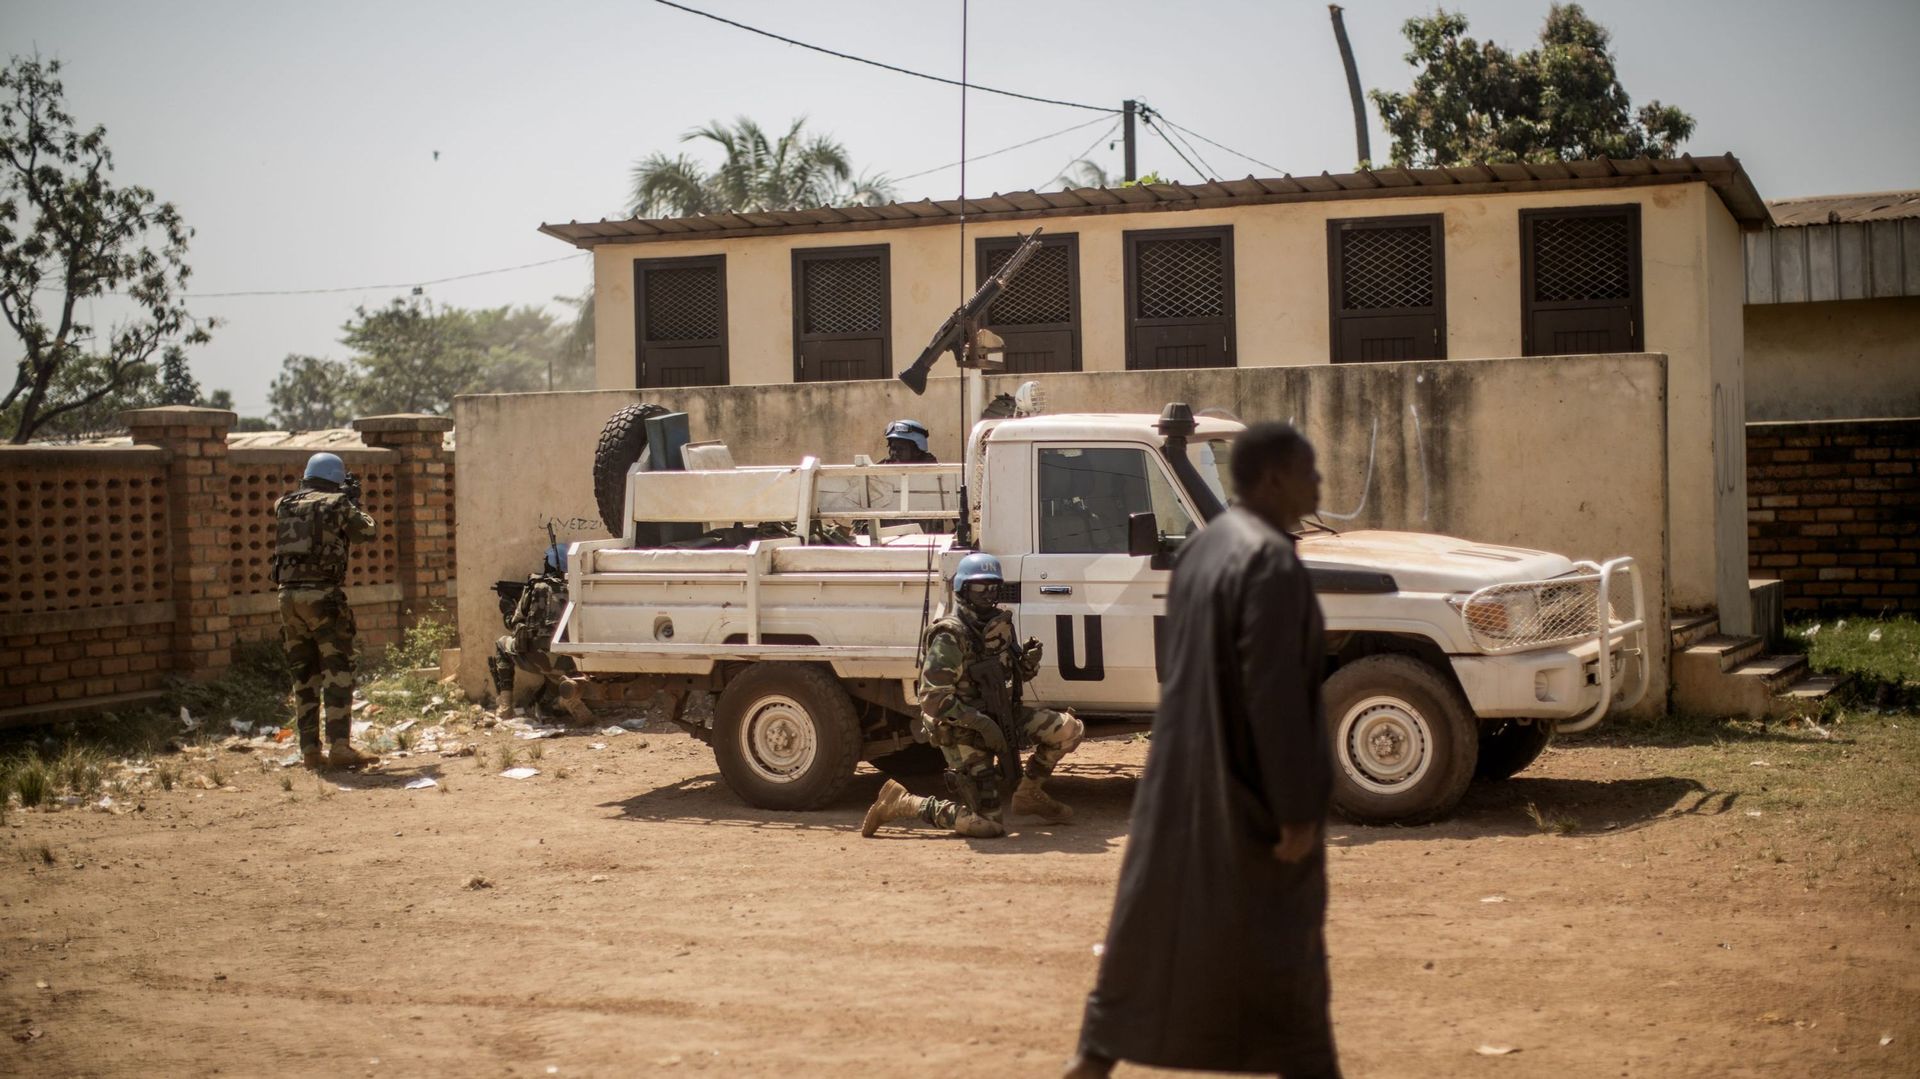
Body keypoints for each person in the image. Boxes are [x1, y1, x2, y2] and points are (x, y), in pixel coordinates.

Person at [1065, 422, 1339, 1079]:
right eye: (1309, 470)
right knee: (1282, 947)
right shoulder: (1271, 561)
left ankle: (1097, 1052)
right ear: (1274, 479)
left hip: (1182, 780)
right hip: (1245, 790)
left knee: (1156, 926)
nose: (1319, 483)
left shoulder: (1205, 548)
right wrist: (1296, 806)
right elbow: (1273, 691)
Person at [861, 552, 1083, 838]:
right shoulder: (951, 636)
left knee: (1068, 729)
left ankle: (1028, 794)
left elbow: (1010, 677)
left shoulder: (998, 627)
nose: (988, 595)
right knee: (987, 825)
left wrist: (1026, 664)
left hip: (999, 715)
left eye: (994, 588)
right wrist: (981, 724)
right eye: (980, 588)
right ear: (963, 590)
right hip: (961, 728)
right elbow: (933, 699)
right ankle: (902, 803)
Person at [272, 452, 380, 771]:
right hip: (322, 596)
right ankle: (340, 747)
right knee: (337, 669)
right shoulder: (338, 504)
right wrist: (352, 501)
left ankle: (310, 751)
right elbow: (367, 532)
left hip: (287, 597)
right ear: (336, 479)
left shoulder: (283, 503)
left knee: (304, 674)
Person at [490, 543, 593, 723]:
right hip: (569, 663)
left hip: (533, 657)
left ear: (550, 563)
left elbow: (513, 623)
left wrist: (507, 607)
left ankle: (505, 706)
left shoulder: (535, 587)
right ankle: (568, 700)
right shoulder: (579, 589)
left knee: (501, 644)